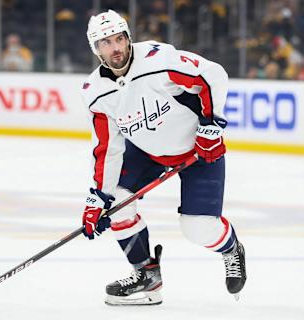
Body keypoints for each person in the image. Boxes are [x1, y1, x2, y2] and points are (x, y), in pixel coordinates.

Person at [80, 10, 246, 306]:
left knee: (197, 229)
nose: (115, 47)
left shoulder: (158, 60)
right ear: (96, 48)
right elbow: (108, 147)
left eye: (119, 39)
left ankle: (232, 249)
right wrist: (99, 197)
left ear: (129, 38)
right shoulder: (95, 92)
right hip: (146, 152)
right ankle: (147, 275)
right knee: (117, 204)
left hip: (198, 149)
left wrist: (210, 124)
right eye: (106, 43)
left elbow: (212, 75)